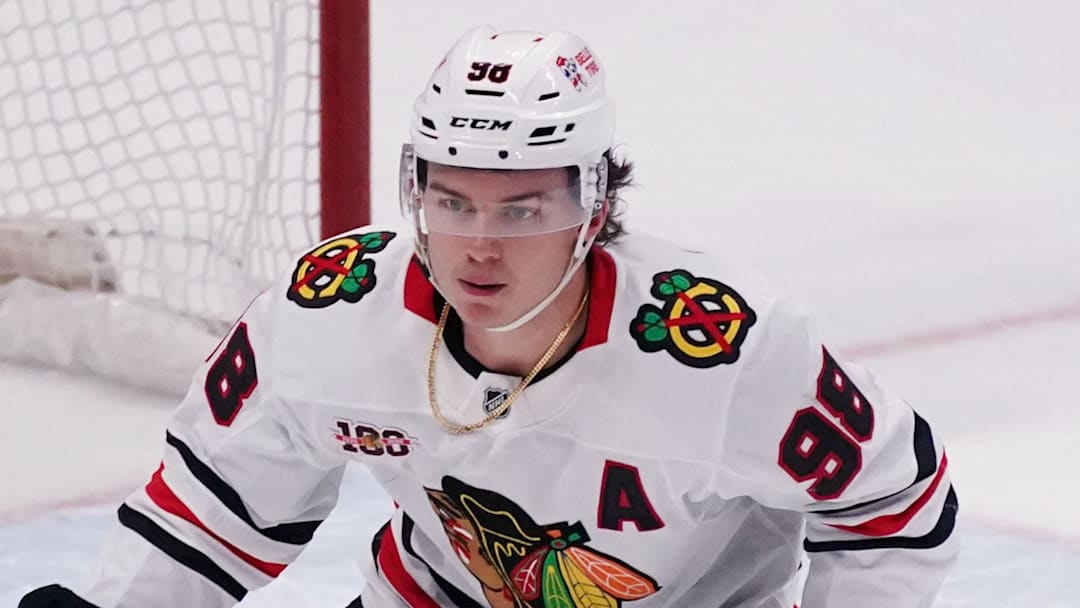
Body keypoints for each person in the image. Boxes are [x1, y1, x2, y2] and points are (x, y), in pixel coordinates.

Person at [21, 25, 958, 608]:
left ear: (594, 208)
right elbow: (211, 512)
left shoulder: (719, 350)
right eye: (453, 202)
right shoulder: (330, 313)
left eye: (523, 210)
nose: (479, 246)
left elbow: (899, 507)